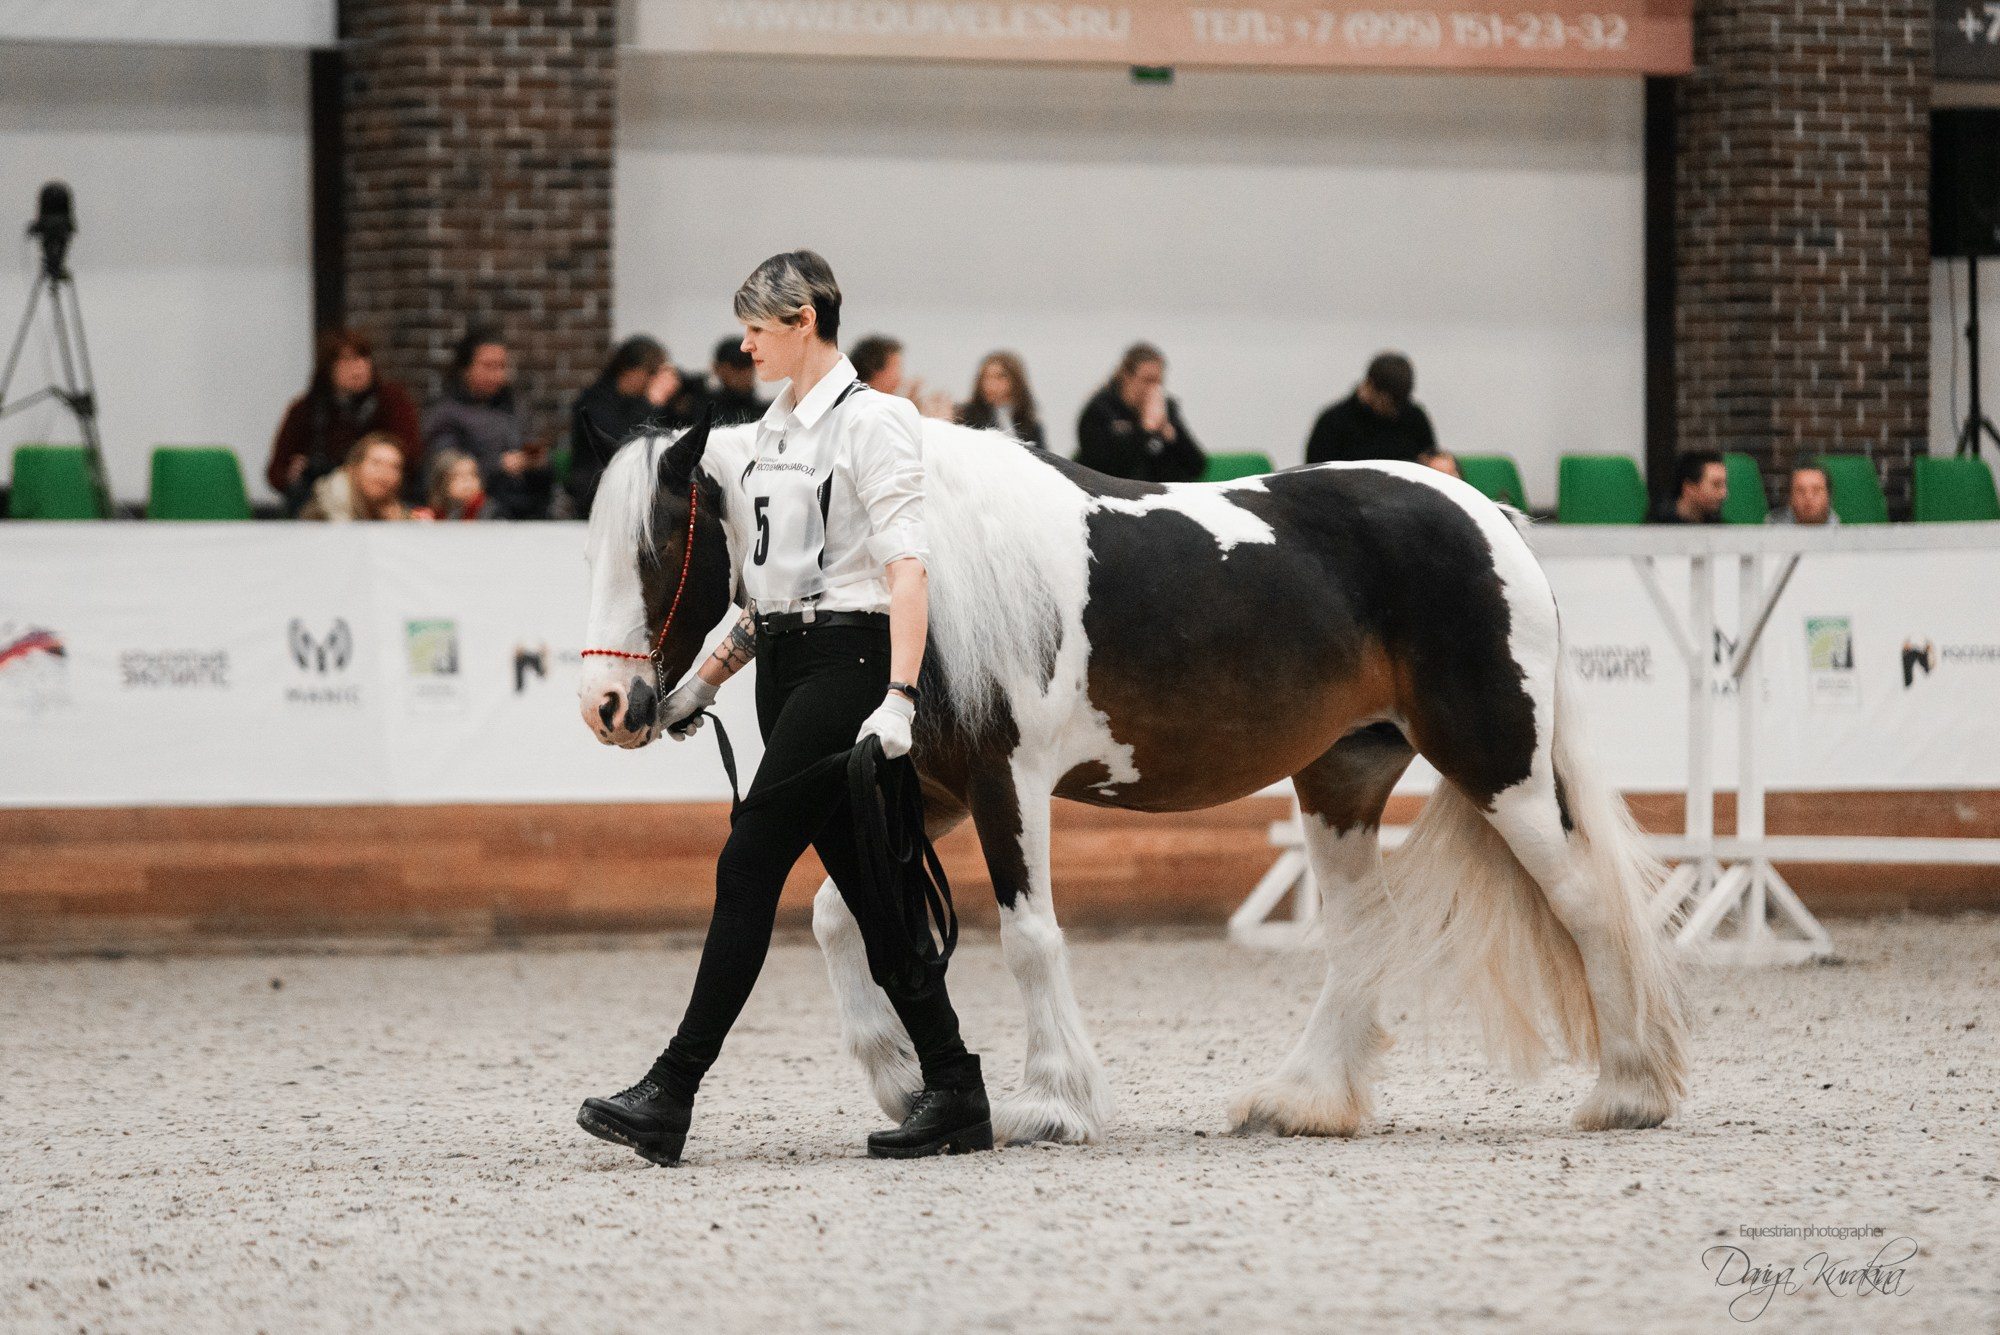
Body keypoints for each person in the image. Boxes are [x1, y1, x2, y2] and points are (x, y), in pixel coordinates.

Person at [577, 250, 991, 1164]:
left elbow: (906, 569)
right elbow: (765, 601)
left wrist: (900, 695)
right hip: (786, 667)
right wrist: (701, 683)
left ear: (804, 319)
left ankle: (671, 1089)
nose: (745, 342)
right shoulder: (758, 437)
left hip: (851, 663)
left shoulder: (875, 423)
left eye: (758, 326)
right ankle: (956, 1084)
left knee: (751, 858)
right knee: (877, 894)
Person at [266, 329, 421, 516]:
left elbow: (411, 456)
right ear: (328, 367)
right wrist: (293, 474)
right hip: (321, 501)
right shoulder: (307, 409)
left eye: (362, 358)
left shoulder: (391, 401)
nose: (357, 368)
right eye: (346, 361)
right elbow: (276, 472)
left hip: (381, 499)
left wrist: (373, 467)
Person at [423, 327, 549, 520]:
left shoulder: (515, 405)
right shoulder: (447, 413)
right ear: (466, 368)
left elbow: (530, 444)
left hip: (526, 503)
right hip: (477, 509)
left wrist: (534, 460)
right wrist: (498, 466)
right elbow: (444, 468)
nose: (497, 375)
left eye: (501, 366)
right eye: (488, 366)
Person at [566, 336, 695, 518]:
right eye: (651, 373)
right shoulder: (595, 402)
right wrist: (652, 404)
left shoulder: (643, 402)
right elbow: (622, 443)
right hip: (600, 494)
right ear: (629, 370)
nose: (654, 380)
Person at [1075, 343, 1206, 483]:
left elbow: (1197, 467)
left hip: (1161, 493)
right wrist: (1145, 431)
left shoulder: (1167, 408)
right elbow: (1106, 467)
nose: (1154, 389)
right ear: (1127, 377)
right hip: (1114, 494)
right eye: (1147, 380)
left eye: (1159, 382)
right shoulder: (1101, 410)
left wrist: (1172, 437)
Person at [1304, 352, 1438, 466]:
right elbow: (1316, 476)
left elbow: (1431, 460)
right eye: (1388, 402)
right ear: (1369, 387)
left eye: (1400, 403)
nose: (1394, 410)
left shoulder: (1414, 417)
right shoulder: (1333, 423)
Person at [298, 433, 411, 522]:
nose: (384, 474)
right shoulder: (333, 499)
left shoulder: (390, 505)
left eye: (394, 467)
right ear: (354, 467)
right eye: (376, 463)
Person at [954, 351, 1046, 450]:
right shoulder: (965, 417)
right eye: (985, 377)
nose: (990, 384)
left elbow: (1043, 460)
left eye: (999, 377)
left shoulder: (1030, 425)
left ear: (1015, 380)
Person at [1652, 449, 1728, 524]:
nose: (1723, 494)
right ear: (1689, 488)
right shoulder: (1655, 527)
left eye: (1724, 484)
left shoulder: (1718, 526)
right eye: (1716, 485)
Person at [706, 337, 767, 426]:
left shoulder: (768, 413)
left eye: (749, 364)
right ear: (718, 368)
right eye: (738, 365)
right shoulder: (702, 410)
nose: (745, 372)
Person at [413, 449, 487, 521]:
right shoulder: (431, 516)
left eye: (473, 474)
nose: (468, 481)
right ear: (441, 483)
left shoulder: (489, 511)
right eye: (458, 476)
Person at [1768, 463, 1838, 525]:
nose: (1808, 497)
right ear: (1790, 498)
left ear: (1828, 496)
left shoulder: (1844, 535)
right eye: (1800, 490)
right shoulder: (1770, 533)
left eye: (1816, 490)